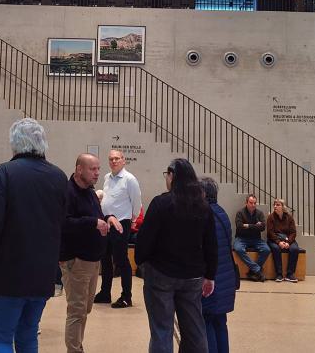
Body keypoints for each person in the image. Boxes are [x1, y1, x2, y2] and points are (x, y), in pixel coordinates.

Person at [0, 118, 67, 353]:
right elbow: (63, 223)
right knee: (28, 335)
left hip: (8, 273)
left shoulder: (4, 173)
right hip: (42, 273)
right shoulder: (58, 176)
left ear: (14, 143)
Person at [136, 158, 216, 353]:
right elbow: (210, 244)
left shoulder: (161, 203)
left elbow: (145, 238)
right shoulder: (203, 206)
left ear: (172, 176)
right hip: (193, 276)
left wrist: (141, 261)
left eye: (167, 175)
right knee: (195, 330)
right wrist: (210, 275)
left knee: (162, 330)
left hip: (161, 274)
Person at [61, 153, 123, 353]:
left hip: (91, 259)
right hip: (76, 260)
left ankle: (77, 345)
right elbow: (63, 223)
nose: (98, 173)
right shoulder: (68, 192)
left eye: (98, 169)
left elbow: (94, 216)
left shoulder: (88, 191)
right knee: (77, 310)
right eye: (93, 169)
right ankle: (74, 350)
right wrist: (93, 223)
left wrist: (108, 217)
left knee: (85, 309)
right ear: (80, 169)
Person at [94, 149, 141, 308]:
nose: (113, 161)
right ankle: (105, 292)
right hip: (106, 224)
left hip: (121, 224)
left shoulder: (130, 179)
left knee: (121, 260)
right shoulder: (107, 177)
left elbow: (137, 203)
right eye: (111, 159)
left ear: (123, 160)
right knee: (105, 258)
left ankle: (126, 296)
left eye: (116, 159)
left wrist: (132, 219)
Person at [199, 177, 237, 353]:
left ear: (204, 193)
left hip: (212, 280)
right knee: (220, 323)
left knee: (207, 323)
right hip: (225, 278)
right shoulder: (221, 212)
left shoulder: (205, 215)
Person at [233, 195, 268, 282]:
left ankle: (252, 272)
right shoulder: (240, 213)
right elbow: (239, 227)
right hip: (241, 238)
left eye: (255, 203)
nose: (253, 205)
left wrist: (248, 225)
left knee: (266, 249)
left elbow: (263, 227)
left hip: (256, 239)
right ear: (246, 203)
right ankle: (257, 270)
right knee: (238, 249)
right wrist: (256, 226)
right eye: (251, 203)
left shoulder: (259, 213)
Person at [266, 198, 300, 283]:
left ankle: (290, 274)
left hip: (287, 239)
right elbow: (270, 232)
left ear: (283, 207)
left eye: (278, 205)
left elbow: (293, 232)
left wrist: (288, 243)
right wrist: (279, 242)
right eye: (274, 204)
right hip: (274, 240)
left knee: (295, 249)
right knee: (276, 249)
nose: (275, 206)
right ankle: (279, 274)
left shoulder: (289, 217)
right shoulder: (271, 217)